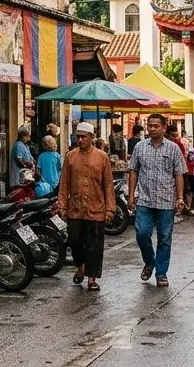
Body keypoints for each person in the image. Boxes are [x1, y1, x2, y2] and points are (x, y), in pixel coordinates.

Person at [128, 113, 186, 287]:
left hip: (166, 201)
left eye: (156, 126)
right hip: (144, 200)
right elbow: (133, 171)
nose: (152, 129)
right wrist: (131, 195)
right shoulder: (140, 147)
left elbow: (179, 174)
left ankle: (161, 273)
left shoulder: (173, 148)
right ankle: (149, 261)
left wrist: (180, 198)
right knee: (142, 233)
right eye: (150, 126)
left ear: (163, 128)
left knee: (164, 238)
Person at [59, 122, 115, 291]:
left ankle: (91, 278)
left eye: (84, 137)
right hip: (75, 209)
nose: (80, 140)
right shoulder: (70, 156)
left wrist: (110, 209)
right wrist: (62, 205)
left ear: (92, 137)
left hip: (96, 208)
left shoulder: (102, 157)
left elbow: (108, 185)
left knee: (94, 245)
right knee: (74, 240)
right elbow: (64, 183)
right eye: (78, 137)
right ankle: (81, 266)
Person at [167, 124, 194, 216]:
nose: (174, 137)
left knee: (186, 189)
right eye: (172, 135)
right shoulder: (174, 144)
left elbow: (183, 156)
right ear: (168, 134)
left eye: (175, 135)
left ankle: (186, 208)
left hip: (181, 170)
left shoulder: (179, 144)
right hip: (173, 171)